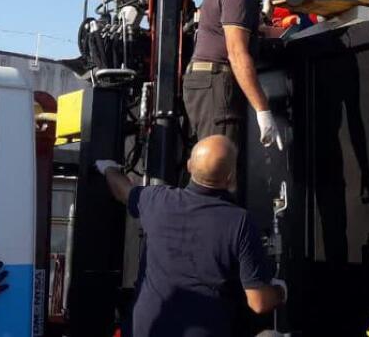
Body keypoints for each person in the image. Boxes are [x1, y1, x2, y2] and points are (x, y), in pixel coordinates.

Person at [95, 135, 287, 337]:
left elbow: (123, 191)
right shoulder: (240, 222)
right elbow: (258, 303)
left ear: (188, 166)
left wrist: (107, 168)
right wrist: (281, 292)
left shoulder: (156, 199)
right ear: (230, 176)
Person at [186, 0, 293, 152]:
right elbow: (237, 52)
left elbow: (238, 30)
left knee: (213, 168)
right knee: (219, 171)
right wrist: (263, 110)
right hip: (216, 83)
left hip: (209, 83)